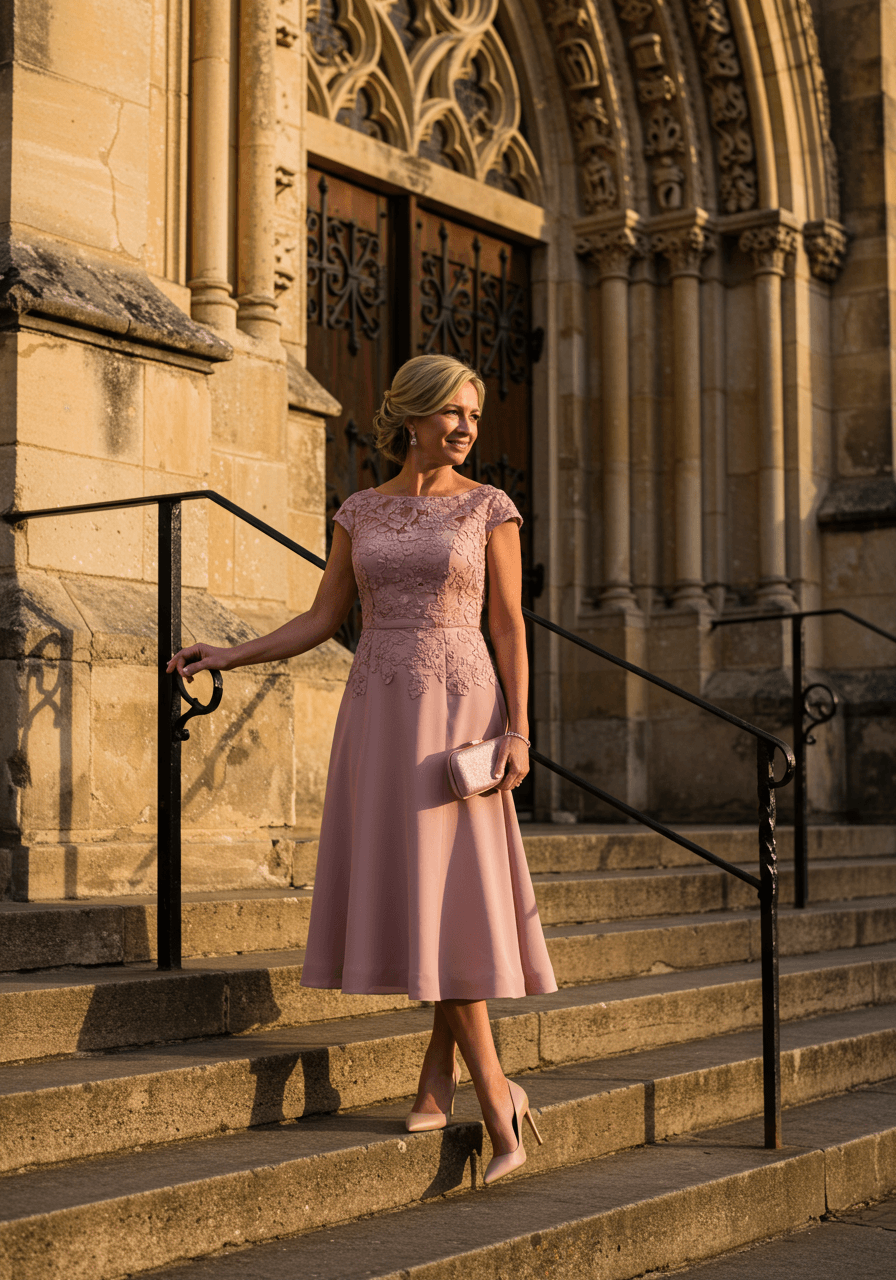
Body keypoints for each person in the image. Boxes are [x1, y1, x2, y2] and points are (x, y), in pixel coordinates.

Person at [167, 353, 557, 1185]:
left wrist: (520, 732)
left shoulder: (490, 507)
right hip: (379, 709)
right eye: (452, 412)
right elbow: (323, 617)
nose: (466, 427)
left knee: (449, 893)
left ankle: (496, 1098)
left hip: (460, 707)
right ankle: (438, 1081)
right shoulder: (360, 510)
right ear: (412, 417)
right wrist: (229, 653)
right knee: (425, 890)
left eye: (475, 415)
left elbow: (509, 625)